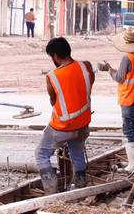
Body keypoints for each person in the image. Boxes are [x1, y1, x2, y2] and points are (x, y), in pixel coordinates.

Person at [36, 37, 95, 194]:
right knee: (76, 152)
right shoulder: (86, 66)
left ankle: (51, 192)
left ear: (55, 56)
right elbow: (89, 84)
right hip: (83, 123)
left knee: (41, 154)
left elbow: (53, 101)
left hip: (62, 126)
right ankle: (80, 188)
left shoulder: (52, 76)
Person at [98, 26, 134, 174]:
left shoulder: (128, 58)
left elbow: (119, 77)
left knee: (129, 130)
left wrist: (108, 69)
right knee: (132, 128)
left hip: (129, 98)